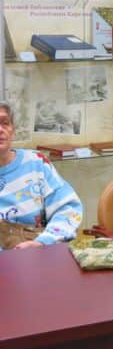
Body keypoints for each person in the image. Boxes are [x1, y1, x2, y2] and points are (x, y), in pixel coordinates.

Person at [0, 100, 83, 250]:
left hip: (35, 253)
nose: (0, 129)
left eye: (5, 123)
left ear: (13, 130)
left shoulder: (36, 163)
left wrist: (43, 241)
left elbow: (68, 209)